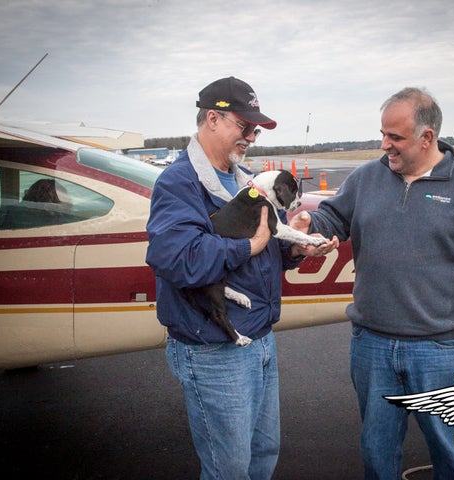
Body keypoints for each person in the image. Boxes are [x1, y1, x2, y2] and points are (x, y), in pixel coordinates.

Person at [291, 87, 454, 479]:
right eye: (383, 134)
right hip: (372, 346)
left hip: (440, 349)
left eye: (395, 137)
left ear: (427, 137)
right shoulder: (366, 178)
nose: (385, 145)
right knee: (377, 453)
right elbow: (333, 218)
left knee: (452, 455)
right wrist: (311, 226)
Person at [145, 76, 337, 480]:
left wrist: (294, 249)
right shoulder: (178, 183)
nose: (251, 135)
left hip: (259, 338)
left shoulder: (243, 179)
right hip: (214, 350)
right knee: (228, 470)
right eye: (244, 126)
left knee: (262, 456)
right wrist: (248, 246)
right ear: (212, 119)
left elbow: (266, 246)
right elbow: (178, 260)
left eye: (255, 129)